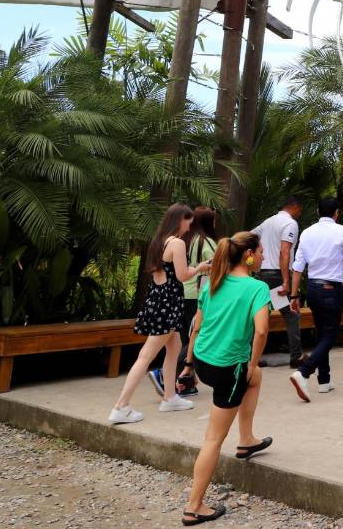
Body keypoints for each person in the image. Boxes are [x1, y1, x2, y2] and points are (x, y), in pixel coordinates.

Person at [179, 232, 273, 526]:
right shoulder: (257, 288)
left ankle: (246, 440)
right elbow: (260, 332)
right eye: (260, 252)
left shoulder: (213, 283)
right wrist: (251, 362)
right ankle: (194, 507)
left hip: (204, 361)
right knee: (213, 439)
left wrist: (188, 364)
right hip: (228, 368)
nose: (262, 257)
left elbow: (196, 326)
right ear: (248, 255)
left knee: (255, 378)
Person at [109, 203, 210, 424]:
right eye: (187, 222)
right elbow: (183, 276)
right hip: (169, 303)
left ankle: (170, 397)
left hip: (157, 299)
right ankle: (121, 406)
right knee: (146, 355)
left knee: (173, 347)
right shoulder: (177, 243)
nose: (189, 227)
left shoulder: (159, 241)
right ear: (179, 220)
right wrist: (201, 268)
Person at [288, 196, 343, 402]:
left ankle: (324, 380)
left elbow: (298, 266)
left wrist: (294, 295)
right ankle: (304, 372)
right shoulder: (342, 231)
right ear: (336, 213)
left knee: (322, 333)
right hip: (331, 288)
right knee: (330, 335)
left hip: (312, 289)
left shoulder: (307, 232)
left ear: (319, 212)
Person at [171, 205, 217, 397]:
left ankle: (187, 382)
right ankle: (179, 380)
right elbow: (217, 265)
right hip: (198, 293)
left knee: (186, 336)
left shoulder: (186, 239)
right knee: (193, 337)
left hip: (183, 291)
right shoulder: (206, 241)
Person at [252, 197, 303, 367]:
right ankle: (296, 357)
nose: (300, 213)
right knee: (291, 315)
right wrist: (286, 281)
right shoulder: (290, 224)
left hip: (261, 274)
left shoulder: (268, 222)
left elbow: (247, 236)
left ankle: (254, 357)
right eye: (300, 209)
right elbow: (285, 251)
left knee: (260, 315)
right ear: (294, 207)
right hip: (276, 276)